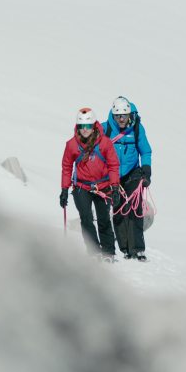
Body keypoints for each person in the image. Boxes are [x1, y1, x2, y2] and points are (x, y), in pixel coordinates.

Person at [60, 107, 121, 262]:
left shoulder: (105, 143)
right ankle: (94, 252)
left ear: (94, 125)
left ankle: (108, 252)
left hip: (103, 186)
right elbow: (66, 167)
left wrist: (114, 186)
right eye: (81, 126)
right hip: (82, 187)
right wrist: (64, 189)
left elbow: (114, 165)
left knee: (103, 219)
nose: (84, 130)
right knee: (86, 219)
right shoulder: (72, 145)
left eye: (87, 126)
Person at [102, 96, 153, 262]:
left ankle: (138, 249)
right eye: (118, 116)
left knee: (136, 209)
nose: (121, 119)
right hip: (113, 174)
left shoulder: (137, 128)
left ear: (130, 114)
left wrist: (146, 171)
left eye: (124, 115)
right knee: (117, 209)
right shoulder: (106, 129)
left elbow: (145, 151)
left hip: (133, 173)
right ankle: (125, 248)